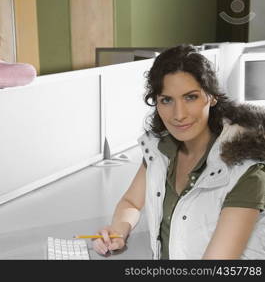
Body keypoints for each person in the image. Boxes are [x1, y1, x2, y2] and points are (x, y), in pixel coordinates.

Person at [93, 44, 265, 259]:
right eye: (166, 100)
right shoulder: (161, 150)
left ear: (211, 97)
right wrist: (118, 231)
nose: (179, 114)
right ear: (156, 102)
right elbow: (131, 202)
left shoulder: (246, 171)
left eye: (190, 97)